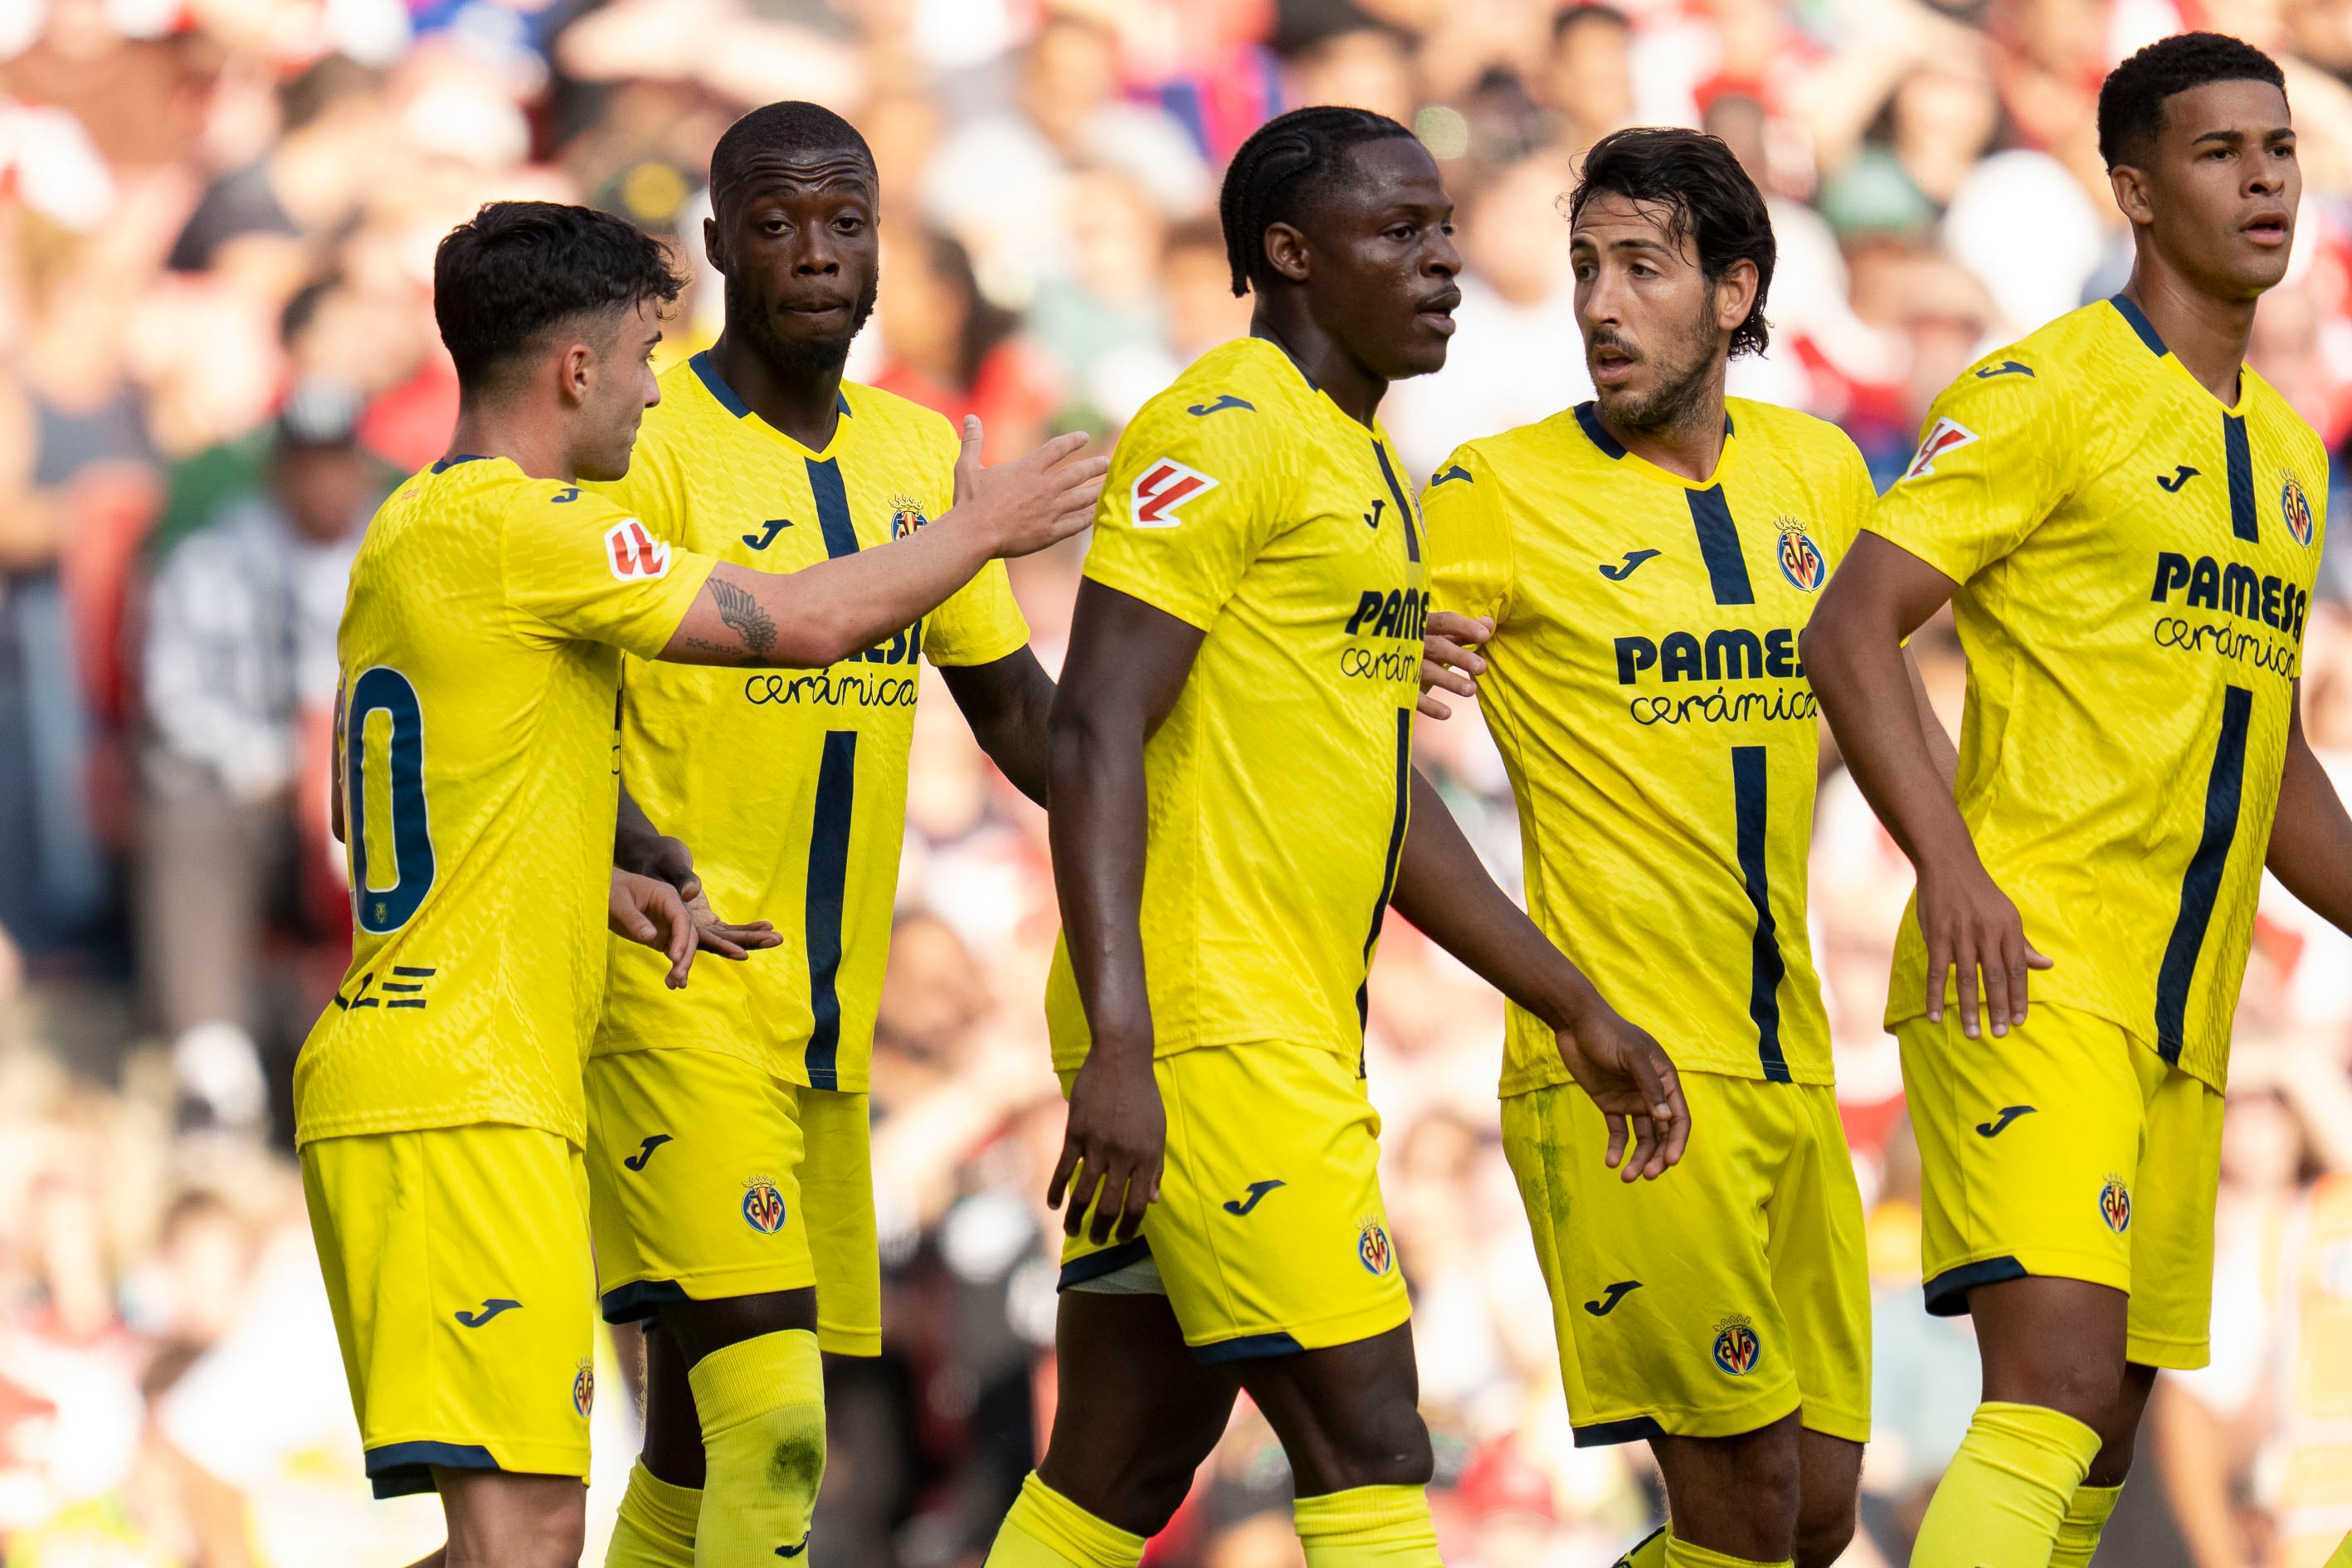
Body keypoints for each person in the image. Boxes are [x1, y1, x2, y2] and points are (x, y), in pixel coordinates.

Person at [296, 198, 1102, 1568]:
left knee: (526, 1540)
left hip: (446, 1076)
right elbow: (800, 619)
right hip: (459, 1089)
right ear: (576, 370)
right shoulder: (538, 528)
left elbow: (396, 796)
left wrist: (605, 871)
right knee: (529, 1543)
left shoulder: (412, 533)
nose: (658, 384)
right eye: (646, 354)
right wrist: (993, 527)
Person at [981, 105, 1689, 1568]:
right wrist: (1124, 1044)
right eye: (1400, 233)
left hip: (1274, 1025)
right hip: (1205, 1032)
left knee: (1124, 1458)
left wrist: (1571, 1003)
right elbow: (1097, 729)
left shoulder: (1366, 467)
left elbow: (1382, 803)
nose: (1442, 262)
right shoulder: (1222, 429)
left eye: (1443, 230)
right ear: (1291, 254)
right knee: (1371, 1439)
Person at [1803, 33, 2352, 1568]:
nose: (2262, 178)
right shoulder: (2046, 388)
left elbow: (2276, 761)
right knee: (2046, 1396)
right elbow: (1850, 624)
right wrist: (1955, 867)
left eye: (2280, 148)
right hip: (2026, 968)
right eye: (2218, 151)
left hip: (2186, 1011)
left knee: (2096, 1443)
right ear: (2131, 186)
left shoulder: (2292, 457)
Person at [1419, 127, 1939, 1568]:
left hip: (1794, 1059)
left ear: (1733, 291)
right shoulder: (1489, 492)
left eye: (1642, 265)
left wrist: (1969, 865)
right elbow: (1376, 724)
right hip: (1623, 1067)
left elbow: (1869, 703)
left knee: (1819, 1514)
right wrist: (1398, 663)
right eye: (1585, 266)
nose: (1598, 301)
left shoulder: (1823, 474)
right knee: (1742, 1508)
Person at [578, 100, 1079, 1568]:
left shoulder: (923, 455)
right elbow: (559, 702)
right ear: (717, 245)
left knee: (690, 1448)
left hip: (825, 1029)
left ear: (879, 252)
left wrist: (1237, 720)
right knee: (783, 1430)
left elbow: (1025, 725)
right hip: (673, 1000)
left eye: (845, 224)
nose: (815, 254)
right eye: (779, 224)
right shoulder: (651, 442)